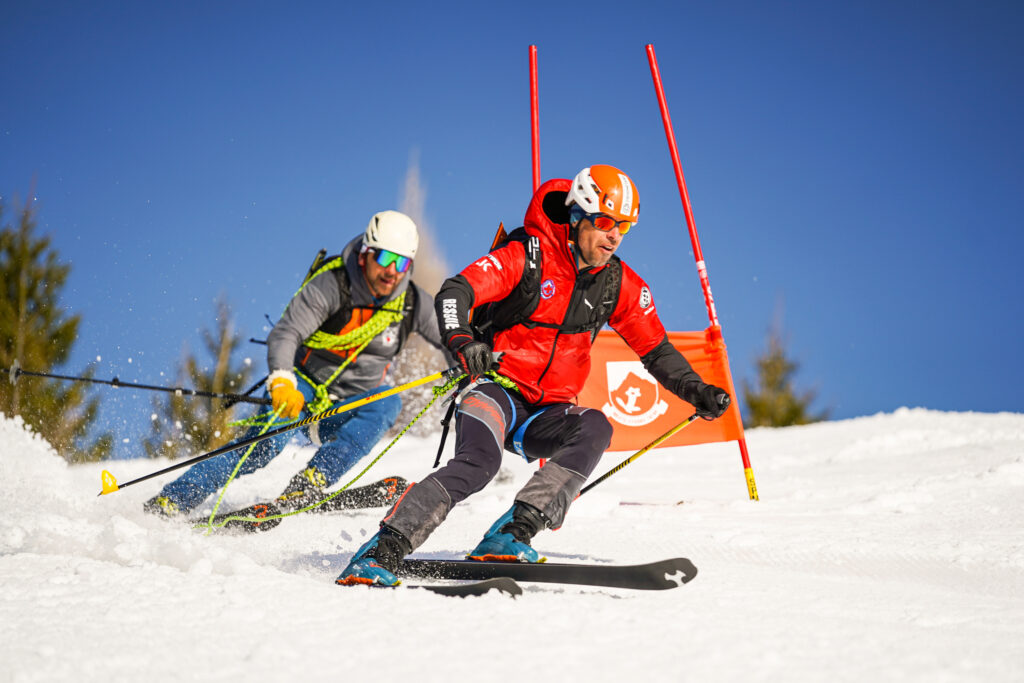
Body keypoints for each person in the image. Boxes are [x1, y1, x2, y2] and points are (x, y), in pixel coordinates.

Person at [336, 165, 731, 586]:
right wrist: (464, 342)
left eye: (624, 227)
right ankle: (383, 549)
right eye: (604, 223)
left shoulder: (618, 284)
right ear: (578, 217)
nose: (614, 236)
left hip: (548, 412)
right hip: (496, 392)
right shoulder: (528, 255)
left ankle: (511, 533)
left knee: (595, 427)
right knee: (479, 464)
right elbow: (456, 291)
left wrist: (696, 390)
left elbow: (656, 349)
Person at [145, 210, 448, 518]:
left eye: (402, 263)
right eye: (384, 259)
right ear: (365, 253)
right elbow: (287, 332)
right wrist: (281, 380)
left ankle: (313, 479)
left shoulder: (412, 303)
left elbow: (451, 338)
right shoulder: (333, 284)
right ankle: (173, 500)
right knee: (263, 447)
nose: (392, 272)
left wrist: (473, 361)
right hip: (300, 392)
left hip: (347, 408)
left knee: (387, 403)